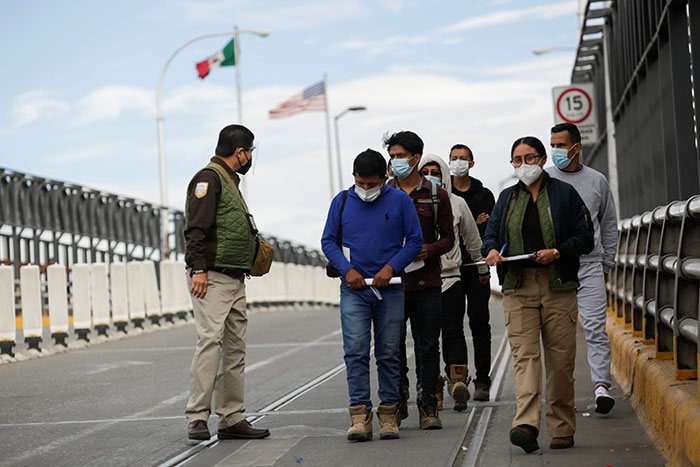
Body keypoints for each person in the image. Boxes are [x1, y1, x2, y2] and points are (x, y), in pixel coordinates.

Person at [482, 136, 593, 452]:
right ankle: (526, 425)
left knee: (560, 361)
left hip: (558, 285)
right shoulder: (506, 199)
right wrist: (492, 251)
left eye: (529, 158)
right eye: (517, 160)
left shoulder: (565, 194)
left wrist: (557, 252)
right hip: (518, 286)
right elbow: (492, 234)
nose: (523, 165)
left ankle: (562, 427)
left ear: (543, 159)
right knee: (525, 357)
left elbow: (586, 237)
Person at [321, 149, 423, 441]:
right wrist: (346, 270)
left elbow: (415, 240)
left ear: (385, 178)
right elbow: (328, 240)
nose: (366, 189)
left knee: (389, 352)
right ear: (353, 177)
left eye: (372, 184)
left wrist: (392, 268)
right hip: (354, 289)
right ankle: (360, 415)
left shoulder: (400, 201)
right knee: (355, 351)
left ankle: (389, 414)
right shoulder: (341, 202)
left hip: (389, 289)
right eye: (361, 183)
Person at [184, 124, 270, 441]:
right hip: (213, 276)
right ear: (240, 152)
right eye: (250, 152)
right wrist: (198, 269)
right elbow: (195, 228)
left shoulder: (229, 181)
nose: (250, 158)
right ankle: (197, 417)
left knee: (235, 350)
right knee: (210, 343)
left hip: (235, 277)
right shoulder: (208, 179)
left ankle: (231, 417)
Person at [546, 122, 618, 414]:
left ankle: (602, 386)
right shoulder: (545, 178)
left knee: (595, 327)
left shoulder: (597, 181)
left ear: (577, 147)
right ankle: (560, 389)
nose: (555, 151)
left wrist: (607, 263)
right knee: (556, 333)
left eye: (561, 145)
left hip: (589, 265)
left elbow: (609, 224)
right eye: (552, 145)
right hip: (555, 264)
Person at [385, 131, 455, 430]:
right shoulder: (384, 192)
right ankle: (398, 404)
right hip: (392, 284)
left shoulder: (436, 195)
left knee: (428, 346)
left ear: (416, 157)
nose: (396, 161)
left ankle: (429, 405)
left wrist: (429, 249)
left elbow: (449, 238)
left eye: (401, 156)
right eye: (393, 156)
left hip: (427, 283)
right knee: (393, 347)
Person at [418, 154, 487, 412]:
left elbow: (472, 238)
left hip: (450, 278)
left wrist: (481, 266)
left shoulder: (456, 203)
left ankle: (458, 381)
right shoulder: (411, 202)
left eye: (435, 171)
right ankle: (432, 387)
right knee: (426, 339)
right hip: (421, 282)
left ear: (444, 175)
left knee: (453, 332)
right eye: (425, 171)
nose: (430, 176)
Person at [449, 144, 494, 401]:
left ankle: (483, 379)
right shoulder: (444, 194)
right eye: (454, 158)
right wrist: (473, 222)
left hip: (477, 266)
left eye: (463, 158)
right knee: (452, 326)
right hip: (451, 268)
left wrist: (474, 228)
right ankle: (457, 378)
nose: (458, 162)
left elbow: (488, 229)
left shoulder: (484, 194)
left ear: (472, 163)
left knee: (479, 323)